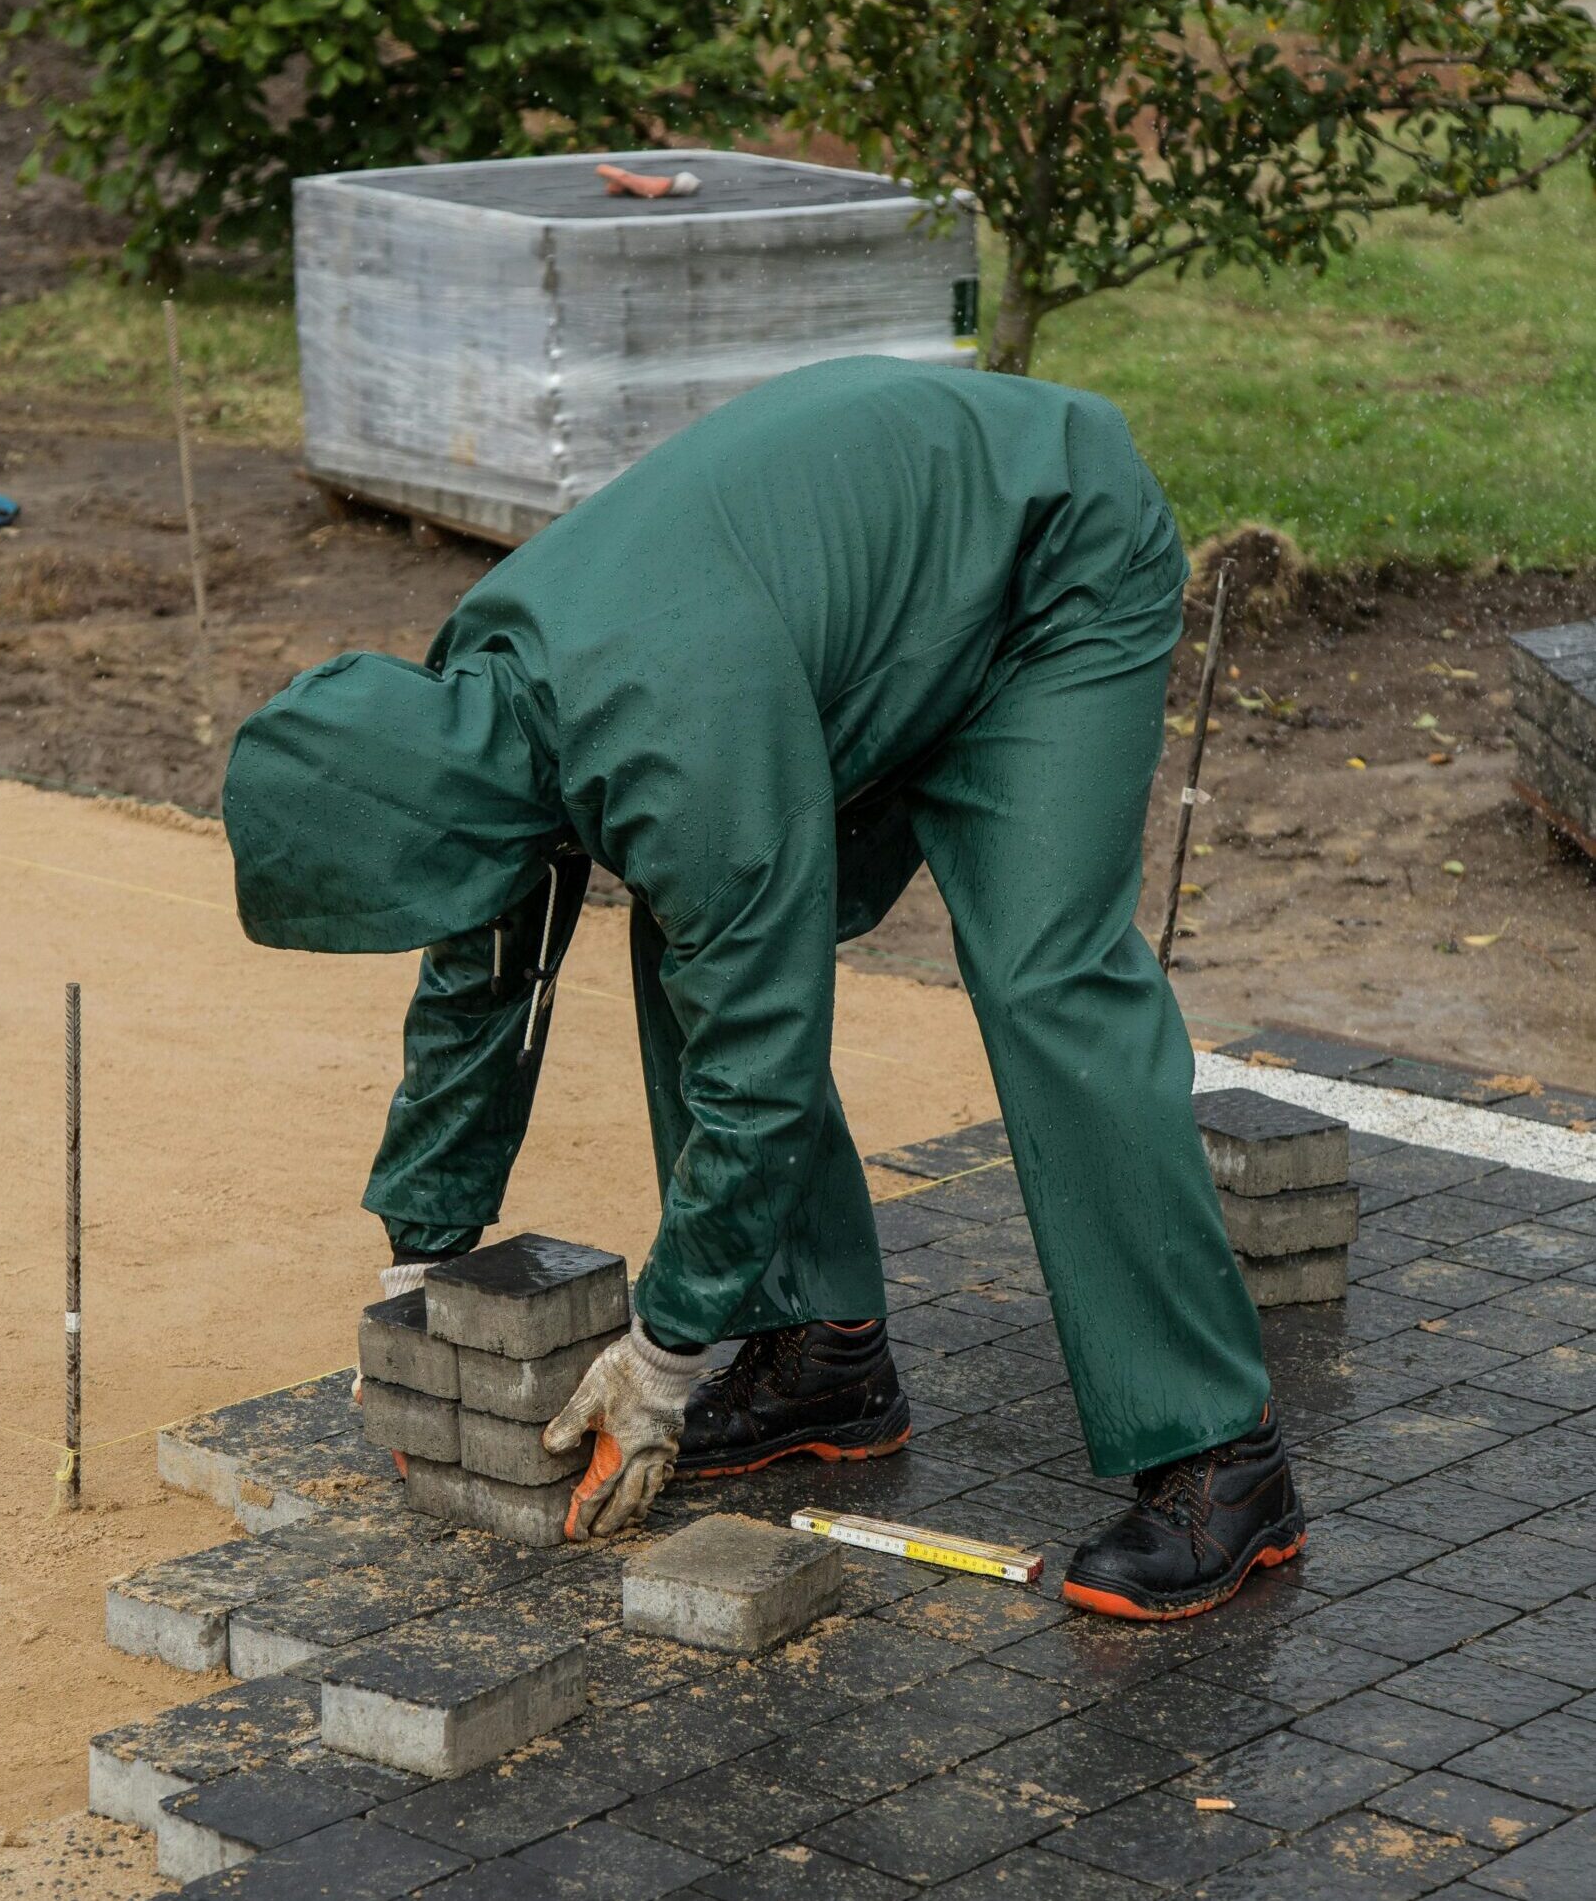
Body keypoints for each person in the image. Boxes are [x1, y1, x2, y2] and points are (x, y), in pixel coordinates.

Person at [223, 355, 1304, 1621]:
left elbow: (763, 1058)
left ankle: (1223, 1454)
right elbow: (488, 974)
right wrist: (425, 1267)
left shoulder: (667, 738)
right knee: (692, 935)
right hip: (852, 626)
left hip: (1045, 558)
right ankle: (822, 1354)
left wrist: (664, 1352)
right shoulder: (469, 711)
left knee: (1044, 980)